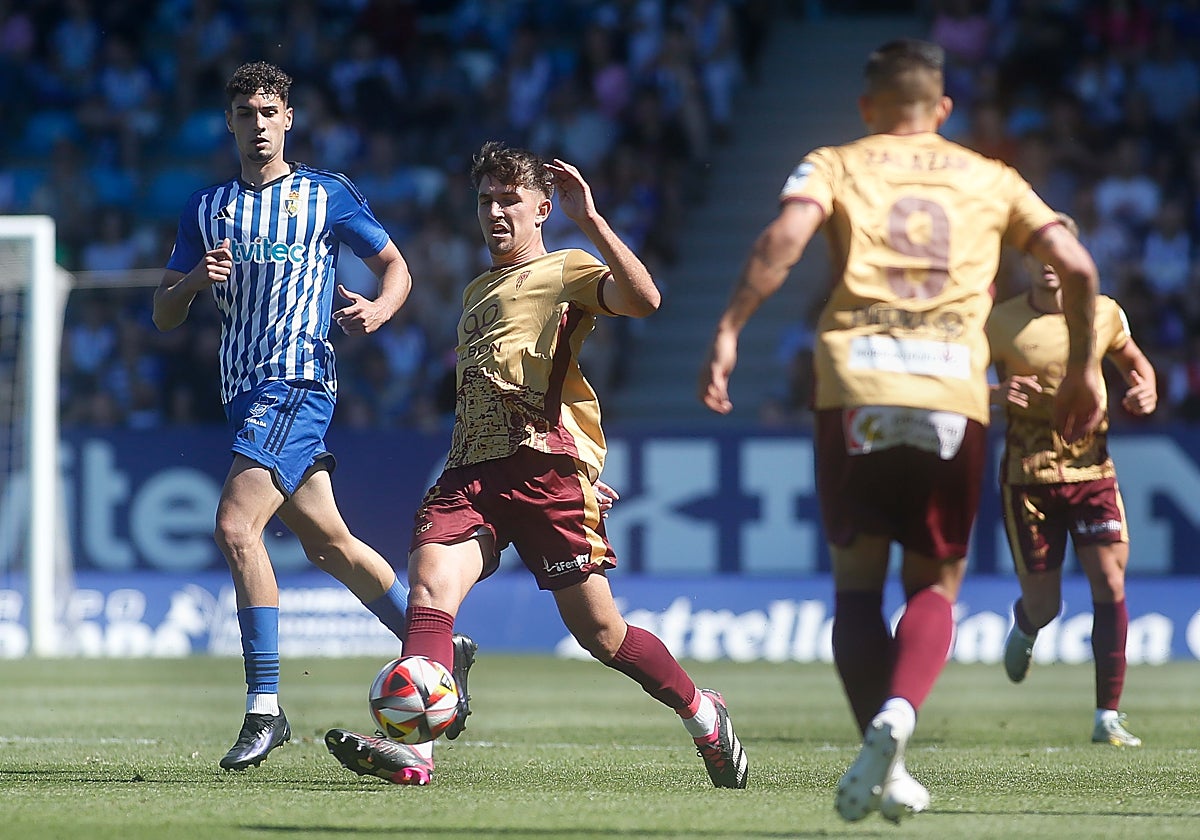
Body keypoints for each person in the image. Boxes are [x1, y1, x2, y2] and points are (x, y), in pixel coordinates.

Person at [697, 39, 1103, 823]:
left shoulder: (837, 161)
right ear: (943, 108)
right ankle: (900, 719)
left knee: (855, 586)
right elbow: (1080, 271)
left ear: (867, 107)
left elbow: (783, 241)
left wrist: (729, 329)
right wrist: (1086, 370)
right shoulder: (993, 178)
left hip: (854, 385)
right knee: (933, 583)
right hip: (953, 390)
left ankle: (883, 749)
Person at [324, 141, 749, 789]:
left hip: (544, 473)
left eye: (509, 200)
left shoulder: (568, 268)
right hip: (470, 473)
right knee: (431, 585)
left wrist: (594, 220)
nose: (495, 211)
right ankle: (416, 752)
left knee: (601, 634)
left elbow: (646, 302)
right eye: (485, 199)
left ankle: (702, 712)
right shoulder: (476, 291)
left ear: (542, 208)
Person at [150, 61, 477, 771]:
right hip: (243, 393)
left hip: (298, 383)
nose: (259, 124)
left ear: (289, 119)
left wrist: (380, 309)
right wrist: (190, 284)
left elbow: (398, 267)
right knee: (330, 544)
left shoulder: (325, 195)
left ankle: (265, 709)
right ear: (230, 121)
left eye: (270, 111)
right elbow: (163, 312)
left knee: (237, 526)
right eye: (246, 113)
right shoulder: (206, 208)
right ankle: (438, 645)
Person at [987, 211, 1156, 748]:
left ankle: (1108, 714)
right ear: (1026, 261)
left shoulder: (1102, 313)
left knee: (1110, 582)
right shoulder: (999, 321)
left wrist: (1145, 388)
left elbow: (1136, 364)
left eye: (1059, 255)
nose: (1050, 266)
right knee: (1047, 603)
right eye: (1040, 256)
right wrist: (993, 396)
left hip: (1092, 471)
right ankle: (1027, 622)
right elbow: (961, 381)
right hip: (1029, 477)